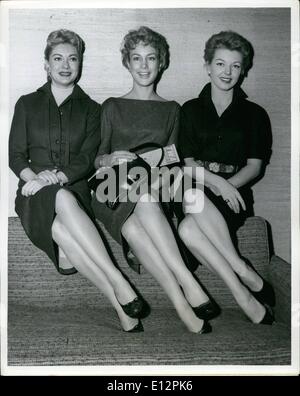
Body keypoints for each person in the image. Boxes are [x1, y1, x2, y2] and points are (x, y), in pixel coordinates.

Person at [9, 29, 145, 333]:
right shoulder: (26, 104)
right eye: (57, 58)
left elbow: (86, 158)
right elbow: (16, 156)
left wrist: (56, 178)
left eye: (73, 58)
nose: (65, 65)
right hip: (33, 192)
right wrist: (35, 179)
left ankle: (119, 301)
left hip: (75, 188)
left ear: (80, 63)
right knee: (57, 200)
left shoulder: (92, 110)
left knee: (61, 217)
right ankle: (120, 284)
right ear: (46, 63)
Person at [92, 26, 212, 334]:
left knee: (134, 224)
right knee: (141, 198)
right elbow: (97, 159)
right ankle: (188, 281)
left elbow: (172, 161)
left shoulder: (172, 110)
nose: (144, 66)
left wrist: (159, 181)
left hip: (152, 188)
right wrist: (109, 158)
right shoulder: (112, 106)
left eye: (151, 58)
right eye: (137, 59)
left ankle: (183, 306)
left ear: (162, 63)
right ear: (127, 63)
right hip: (111, 187)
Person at [178, 30, 274, 325]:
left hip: (236, 193)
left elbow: (255, 166)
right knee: (193, 195)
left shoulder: (256, 114)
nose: (227, 72)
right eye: (220, 64)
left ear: (243, 69)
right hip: (197, 187)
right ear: (207, 66)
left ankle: (245, 294)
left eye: (235, 65)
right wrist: (218, 183)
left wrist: (227, 187)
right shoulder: (190, 110)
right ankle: (242, 277)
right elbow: (187, 163)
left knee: (186, 231)